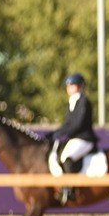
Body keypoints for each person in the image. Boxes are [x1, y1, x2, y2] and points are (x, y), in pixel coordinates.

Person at [43, 73, 98, 205]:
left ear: (80, 87)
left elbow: (78, 124)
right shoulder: (72, 102)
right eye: (68, 86)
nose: (69, 88)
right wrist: (55, 133)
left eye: (72, 85)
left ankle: (70, 189)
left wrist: (63, 133)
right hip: (75, 138)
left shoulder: (84, 102)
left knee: (67, 158)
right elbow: (68, 123)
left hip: (84, 139)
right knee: (58, 155)